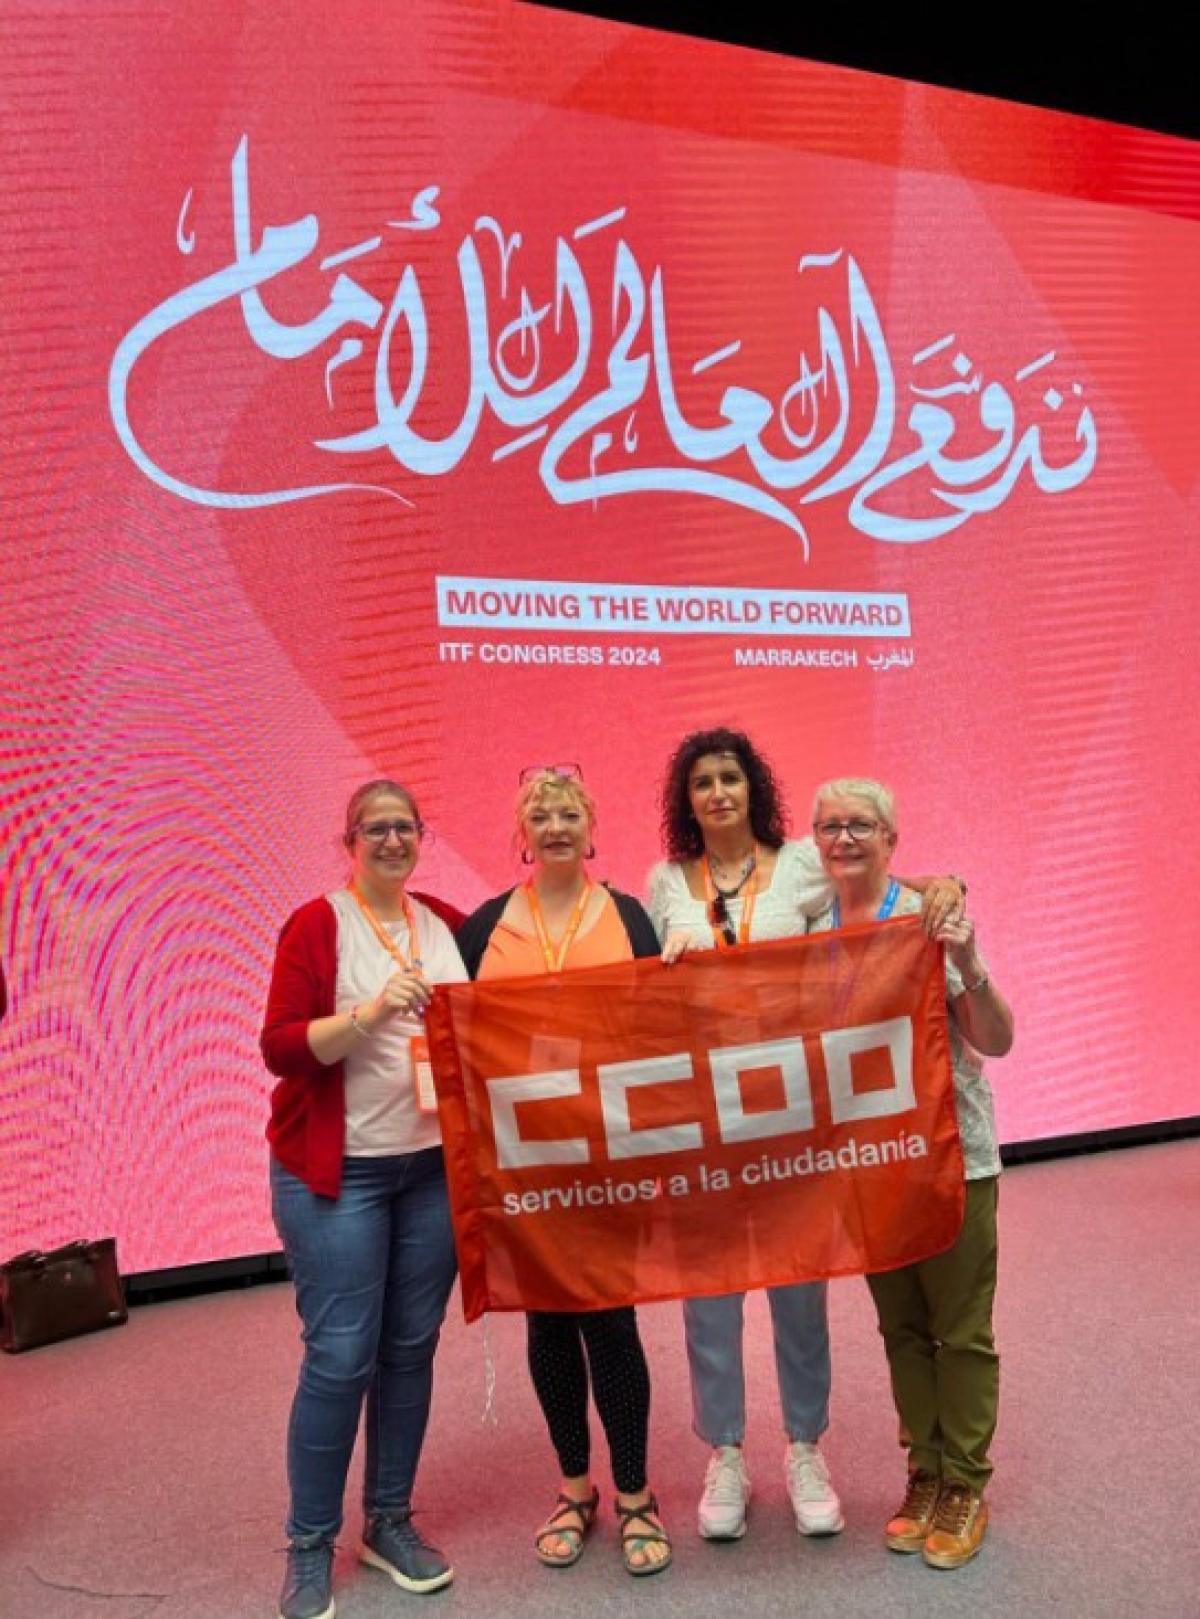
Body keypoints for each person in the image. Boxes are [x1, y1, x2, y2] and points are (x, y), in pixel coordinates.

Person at [645, 728, 963, 1544]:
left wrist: (945, 884)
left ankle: (803, 1447)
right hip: (703, 1122)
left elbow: (878, 881)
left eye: (731, 778)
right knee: (709, 1294)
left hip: (791, 1118)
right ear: (687, 800)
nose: (718, 792)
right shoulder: (662, 884)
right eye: (702, 782)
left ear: (753, 788)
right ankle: (724, 1453)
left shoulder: (797, 865)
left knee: (798, 1284)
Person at [456, 766, 672, 1577]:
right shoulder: (482, 929)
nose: (554, 824)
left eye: (568, 811)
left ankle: (639, 1494)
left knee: (611, 1320)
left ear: (591, 827)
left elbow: (663, 1031)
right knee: (548, 1322)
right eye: (539, 813)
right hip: (523, 1167)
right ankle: (574, 1486)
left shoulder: (628, 917)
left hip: (611, 1156)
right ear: (522, 832)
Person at [261, 780, 466, 1619]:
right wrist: (370, 1012)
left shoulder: (447, 923)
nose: (392, 840)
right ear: (348, 839)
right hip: (339, 1173)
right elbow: (279, 1047)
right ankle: (309, 1541)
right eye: (375, 828)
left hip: (431, 1172)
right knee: (341, 1354)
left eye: (405, 827)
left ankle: (387, 1521)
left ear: (422, 836)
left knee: (409, 1350)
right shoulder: (319, 923)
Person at [808, 776, 1013, 1570]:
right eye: (831, 825)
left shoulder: (930, 920)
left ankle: (965, 1483)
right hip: (868, 1163)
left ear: (892, 838)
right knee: (902, 1327)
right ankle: (923, 1471)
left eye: (862, 824)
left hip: (955, 1152)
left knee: (959, 1327)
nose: (846, 837)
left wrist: (966, 955)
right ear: (815, 842)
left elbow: (996, 1039)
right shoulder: (806, 929)